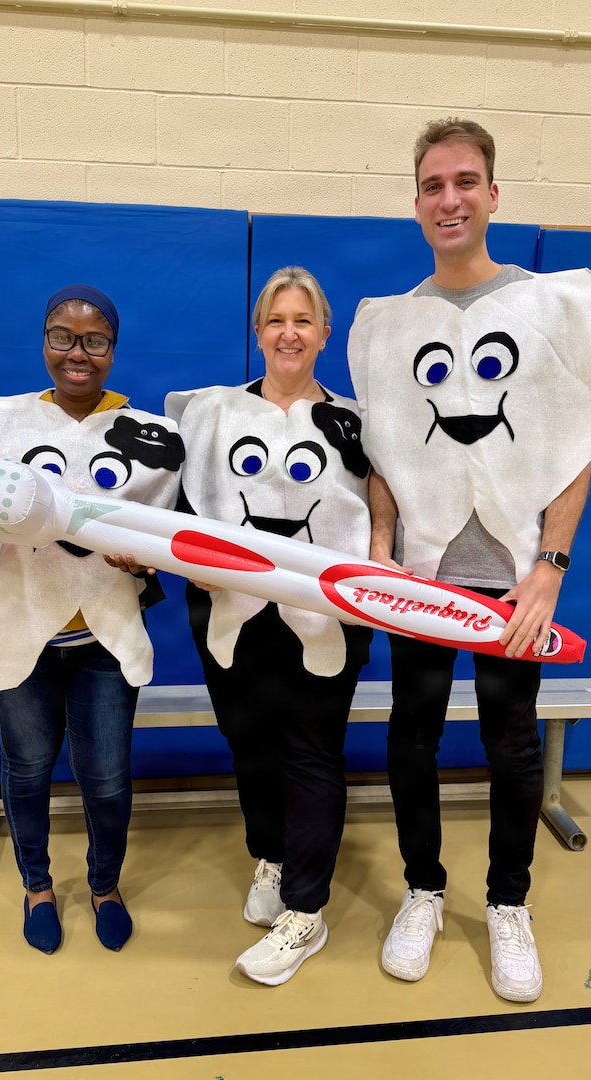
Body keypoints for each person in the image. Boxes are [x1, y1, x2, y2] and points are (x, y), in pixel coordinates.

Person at [347, 120, 591, 1002]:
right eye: (432, 184)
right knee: (412, 732)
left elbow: (576, 447)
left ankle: (509, 903)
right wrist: (382, 552)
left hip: (514, 575)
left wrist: (551, 562)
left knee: (510, 737)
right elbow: (383, 454)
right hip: (422, 573)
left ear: (493, 194)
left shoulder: (549, 306)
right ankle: (424, 889)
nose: (449, 198)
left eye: (465, 181)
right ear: (416, 201)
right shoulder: (386, 326)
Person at [0, 284, 184, 954]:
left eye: (94, 339)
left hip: (105, 636)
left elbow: (163, 543)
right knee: (29, 766)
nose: (78, 352)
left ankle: (104, 885)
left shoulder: (156, 439)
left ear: (113, 349)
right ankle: (37, 886)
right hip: (20, 628)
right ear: (43, 341)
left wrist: (145, 563)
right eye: (62, 336)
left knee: (106, 775)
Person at [162, 266, 374, 986]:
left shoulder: (355, 423)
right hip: (228, 607)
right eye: (276, 319)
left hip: (325, 616)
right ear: (259, 332)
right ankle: (274, 856)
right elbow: (175, 499)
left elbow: (382, 512)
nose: (290, 332)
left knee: (311, 751)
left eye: (303, 320)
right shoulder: (211, 413)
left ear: (323, 332)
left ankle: (305, 913)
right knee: (248, 741)